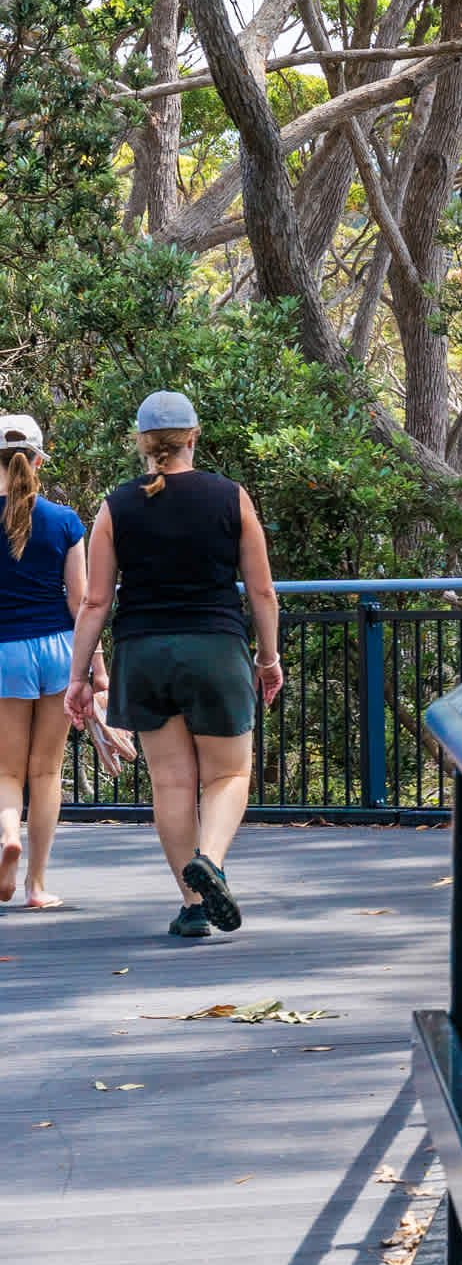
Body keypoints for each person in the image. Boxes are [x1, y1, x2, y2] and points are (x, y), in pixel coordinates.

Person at [66, 394, 284, 938]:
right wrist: (268, 657)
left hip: (143, 653)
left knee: (170, 783)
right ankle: (210, 859)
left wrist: (77, 678)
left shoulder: (116, 506)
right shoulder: (230, 497)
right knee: (228, 774)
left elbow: (96, 601)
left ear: (141, 442)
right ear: (194, 436)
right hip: (215, 648)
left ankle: (193, 906)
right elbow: (262, 590)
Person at [0, 416, 92, 909]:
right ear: (38, 460)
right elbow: (81, 601)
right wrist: (96, 664)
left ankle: (6, 836)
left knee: (6, 772)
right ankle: (36, 886)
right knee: (46, 772)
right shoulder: (65, 521)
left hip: (4, 652)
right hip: (59, 648)